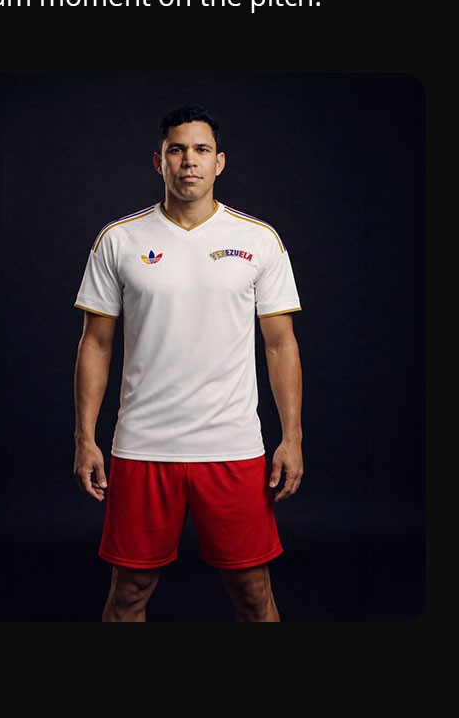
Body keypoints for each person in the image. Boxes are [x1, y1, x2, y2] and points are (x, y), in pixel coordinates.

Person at [73, 106, 304, 622]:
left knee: (252, 591)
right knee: (130, 590)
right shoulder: (120, 240)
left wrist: (292, 437)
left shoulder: (258, 240)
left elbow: (280, 345)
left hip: (232, 445)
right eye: (176, 150)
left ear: (219, 162)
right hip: (143, 445)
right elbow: (96, 344)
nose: (189, 161)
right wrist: (85, 438)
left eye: (201, 150)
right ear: (159, 162)